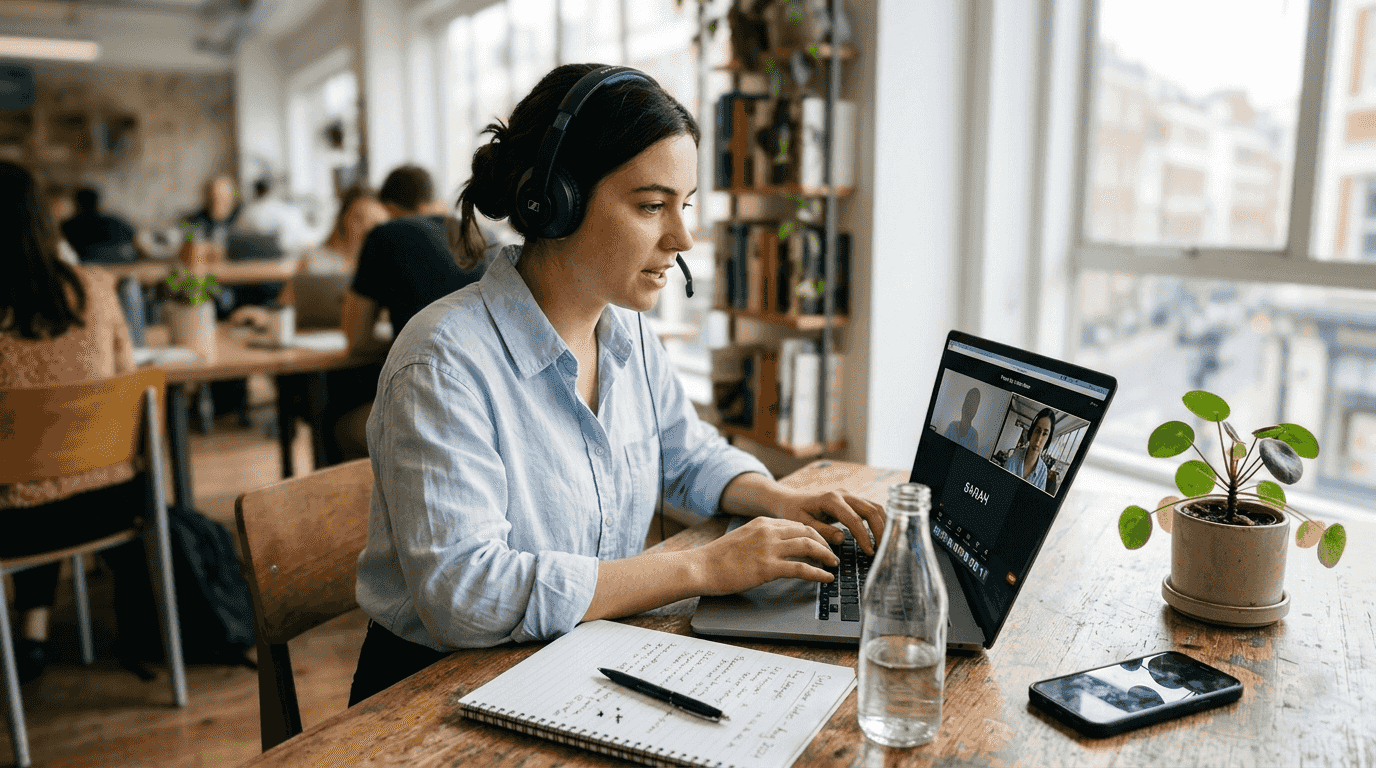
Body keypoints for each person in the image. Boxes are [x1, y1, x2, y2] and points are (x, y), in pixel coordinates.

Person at [347, 64, 885, 704]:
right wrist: (701, 567)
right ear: (555, 201)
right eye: (652, 206)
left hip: (577, 657)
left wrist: (776, 498)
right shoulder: (441, 363)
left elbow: (686, 456)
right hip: (433, 692)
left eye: (685, 205)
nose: (682, 238)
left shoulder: (628, 335)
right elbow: (465, 594)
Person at [0, 161, 146, 683]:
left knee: (28, 474)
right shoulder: (97, 288)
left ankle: (32, 632)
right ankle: (128, 627)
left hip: (15, 526)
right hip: (112, 505)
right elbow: (129, 385)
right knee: (47, 463)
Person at [323, 165, 489, 464]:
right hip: (490, 409)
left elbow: (356, 340)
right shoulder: (479, 233)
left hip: (431, 409)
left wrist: (405, 345)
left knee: (338, 426)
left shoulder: (384, 235)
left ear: (387, 208)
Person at [236, 176, 318, 255]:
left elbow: (242, 229)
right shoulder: (280, 207)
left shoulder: (255, 210)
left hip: (277, 246)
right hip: (284, 245)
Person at [61, 186, 142, 264]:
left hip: (89, 263)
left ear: (77, 203)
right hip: (121, 261)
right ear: (97, 202)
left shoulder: (69, 226)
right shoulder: (114, 221)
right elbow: (133, 236)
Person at [1001, 407, 1056, 491]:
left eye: (1045, 434)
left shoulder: (1043, 472)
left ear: (1048, 439)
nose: (1038, 439)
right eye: (1037, 431)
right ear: (1031, 432)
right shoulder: (1014, 457)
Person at [944, 386, 982, 452]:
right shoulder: (952, 426)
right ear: (963, 406)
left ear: (975, 412)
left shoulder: (974, 436)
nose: (969, 408)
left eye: (973, 405)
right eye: (967, 402)